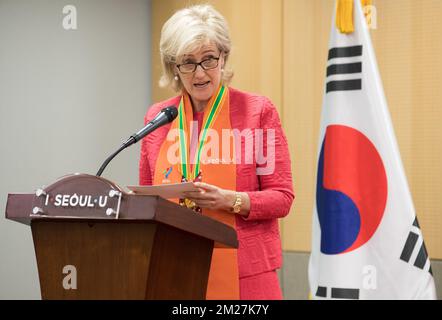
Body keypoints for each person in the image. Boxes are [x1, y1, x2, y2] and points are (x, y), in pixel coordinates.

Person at [139, 4, 294, 300]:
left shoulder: (258, 112)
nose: (200, 73)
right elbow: (148, 200)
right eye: (188, 62)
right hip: (175, 268)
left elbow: (282, 197)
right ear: (173, 66)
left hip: (246, 274)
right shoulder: (158, 118)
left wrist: (229, 200)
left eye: (208, 59)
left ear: (223, 57)